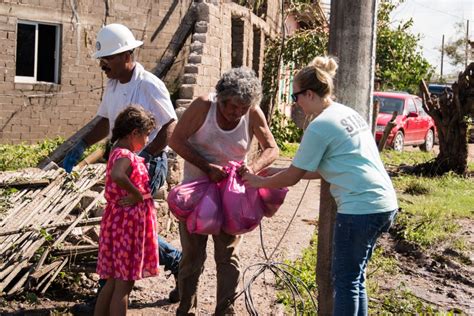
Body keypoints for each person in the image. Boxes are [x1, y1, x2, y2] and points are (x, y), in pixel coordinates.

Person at [243, 56, 398, 316]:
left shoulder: (320, 125)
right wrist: (276, 172)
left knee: (346, 280)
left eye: (296, 97)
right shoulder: (346, 113)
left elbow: (293, 177)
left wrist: (259, 182)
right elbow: (321, 168)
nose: (296, 103)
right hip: (383, 204)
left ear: (310, 94)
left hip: (360, 208)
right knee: (355, 278)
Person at [63, 23, 181, 303]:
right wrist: (81, 145)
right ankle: (112, 289)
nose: (103, 65)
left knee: (132, 224)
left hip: (149, 162)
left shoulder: (148, 83)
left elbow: (170, 124)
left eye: (108, 58)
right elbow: (105, 122)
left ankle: (108, 293)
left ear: (126, 56)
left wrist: (145, 156)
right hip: (123, 163)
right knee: (121, 223)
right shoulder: (114, 86)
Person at [169, 67, 279, 315]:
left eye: (243, 108)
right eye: (233, 107)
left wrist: (252, 167)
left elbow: (272, 148)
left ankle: (225, 310)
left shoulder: (252, 113)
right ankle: (186, 307)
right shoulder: (203, 107)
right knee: (192, 257)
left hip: (232, 197)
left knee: (228, 257)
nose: (237, 113)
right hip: (196, 196)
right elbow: (175, 140)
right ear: (221, 97)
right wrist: (207, 167)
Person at [94, 106, 159, 315]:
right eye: (147, 135)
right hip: (127, 226)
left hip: (117, 222)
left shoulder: (116, 151)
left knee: (112, 283)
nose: (147, 141)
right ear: (134, 134)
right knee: (124, 286)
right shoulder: (125, 156)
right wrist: (137, 195)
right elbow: (118, 174)